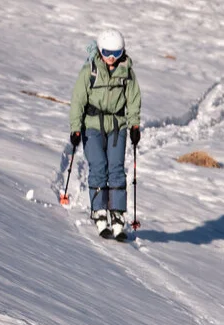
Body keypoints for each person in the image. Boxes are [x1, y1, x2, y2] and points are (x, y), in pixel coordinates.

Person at [69, 28, 142, 240]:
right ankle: (99, 210)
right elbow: (78, 100)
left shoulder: (127, 72)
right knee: (99, 165)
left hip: (117, 126)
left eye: (116, 53)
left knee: (116, 168)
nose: (111, 58)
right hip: (92, 125)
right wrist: (75, 128)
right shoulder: (90, 71)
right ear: (100, 51)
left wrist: (134, 126)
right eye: (107, 53)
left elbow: (133, 100)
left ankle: (117, 214)